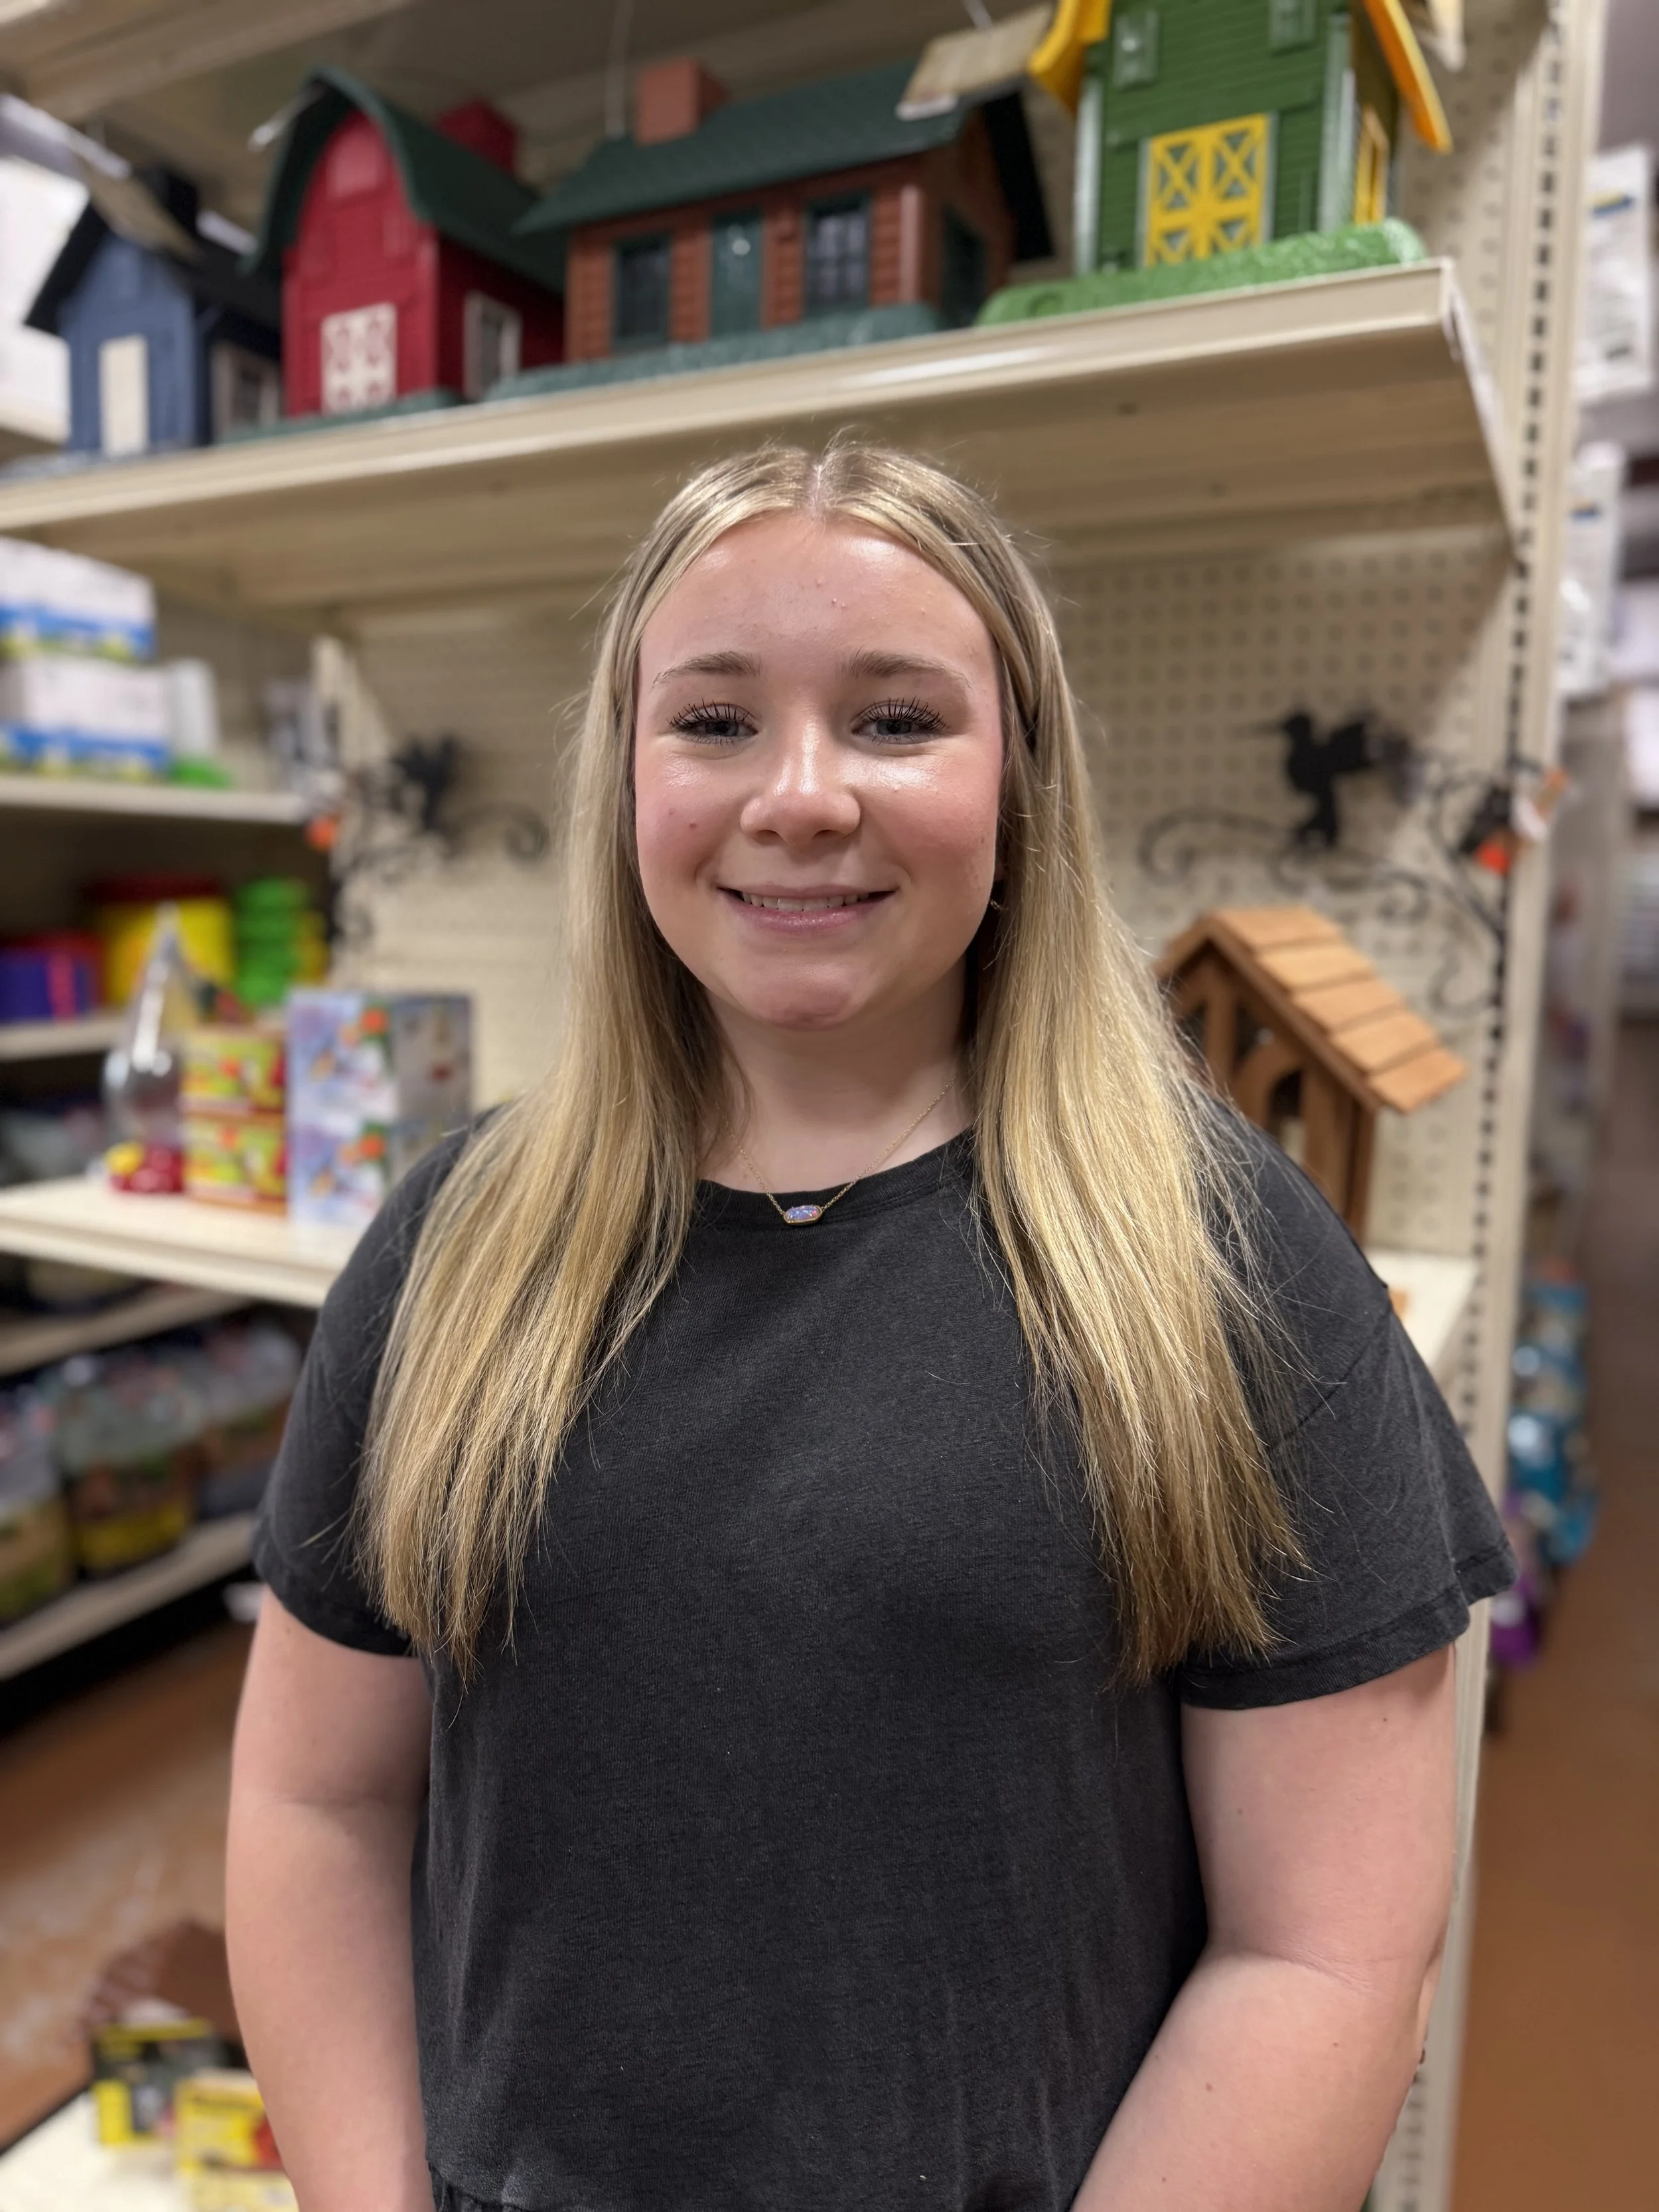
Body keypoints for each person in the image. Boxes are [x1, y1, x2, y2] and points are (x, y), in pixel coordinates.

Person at [228, 442, 1512, 2212]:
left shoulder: (1218, 1267)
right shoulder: (458, 1249)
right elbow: (317, 1812)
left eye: (896, 718)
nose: (802, 794)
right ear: (626, 779)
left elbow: (1327, 1954)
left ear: (1020, 781)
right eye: (716, 720)